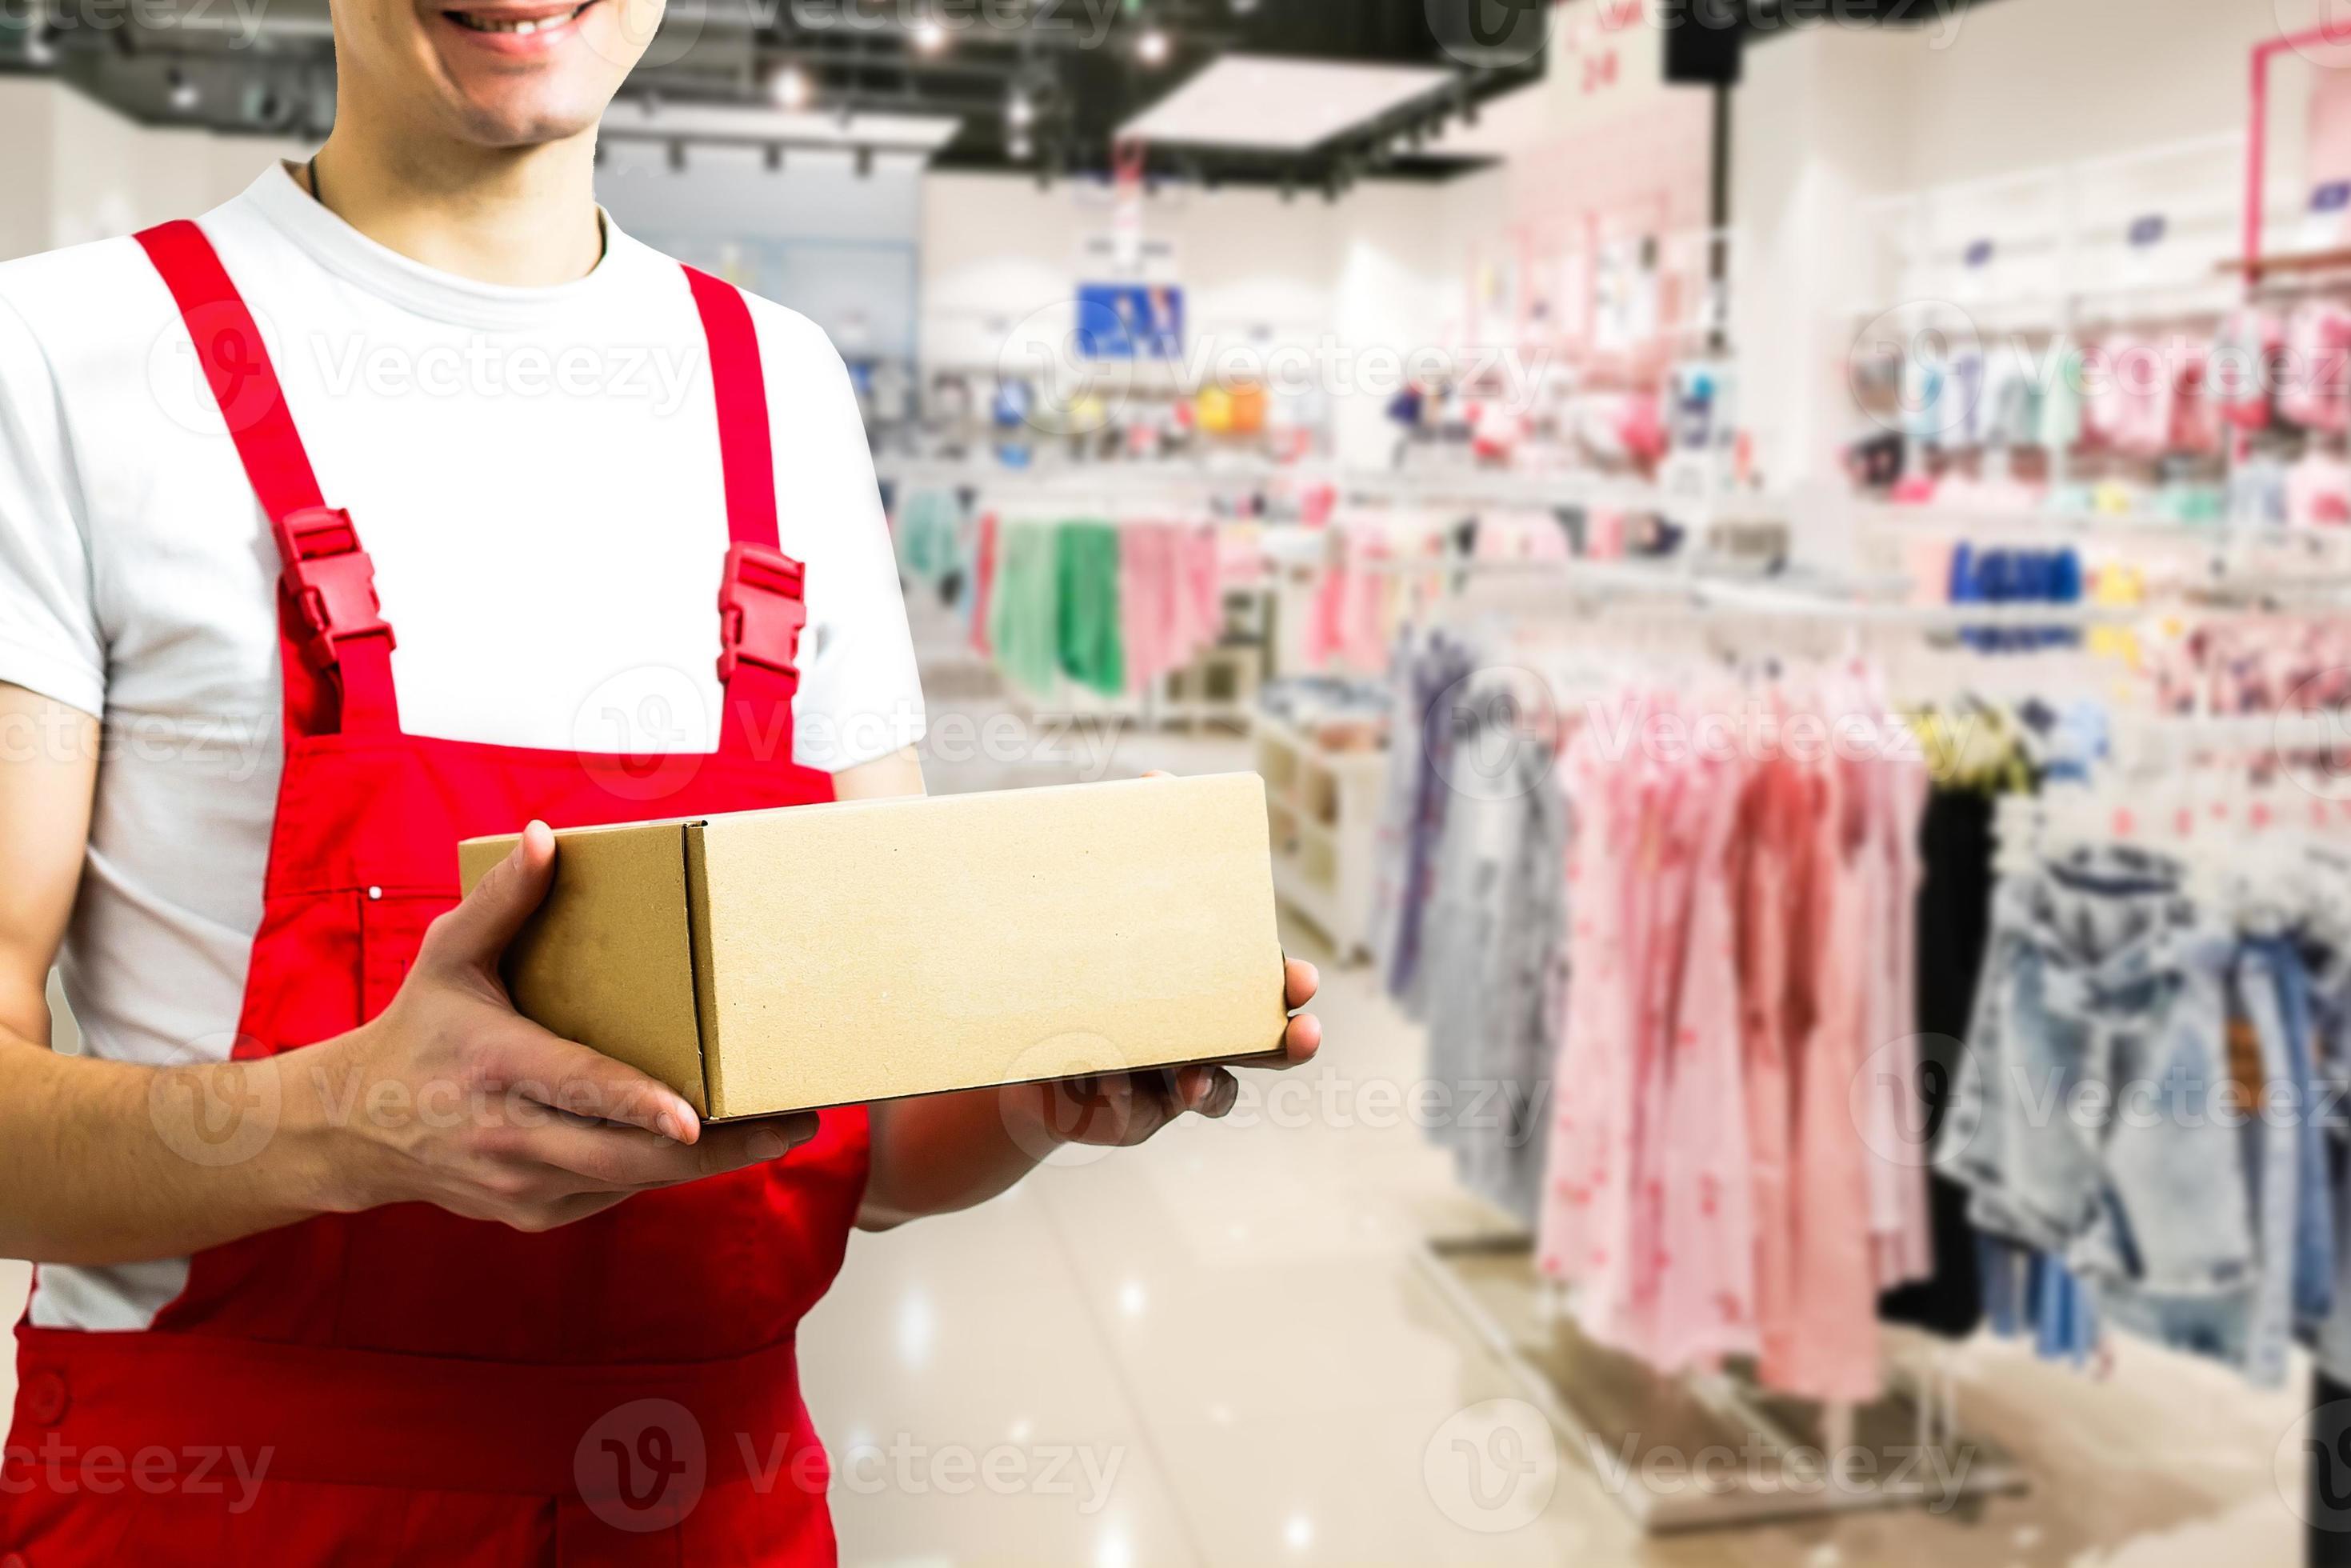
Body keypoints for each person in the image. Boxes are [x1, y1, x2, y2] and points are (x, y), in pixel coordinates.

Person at [0, 0, 1322, 1556]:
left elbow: (869, 1143)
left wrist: (1030, 1095)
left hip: (715, 1510)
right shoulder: (66, 359)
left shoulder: (784, 391)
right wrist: (347, 1118)